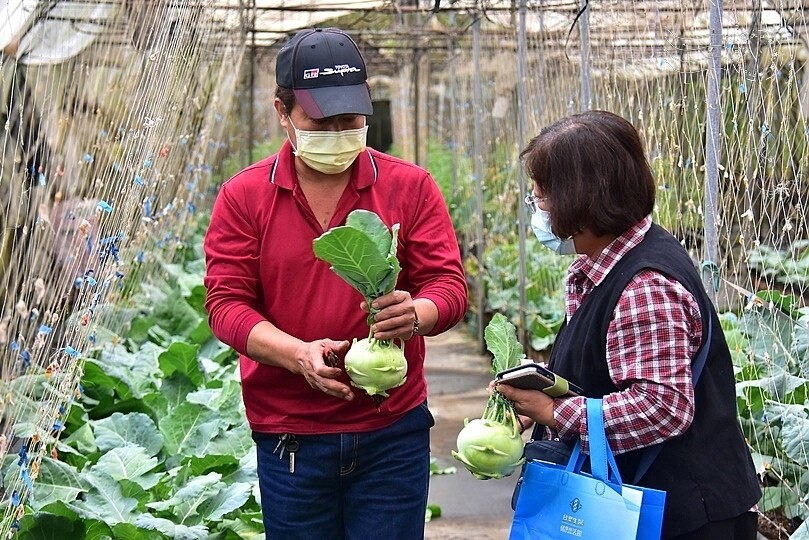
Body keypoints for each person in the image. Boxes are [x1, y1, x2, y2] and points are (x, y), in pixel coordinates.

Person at [203, 27, 467, 539]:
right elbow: (227, 306)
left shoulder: (410, 186)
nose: (340, 130)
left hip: (392, 429)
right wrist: (297, 354)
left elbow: (449, 287)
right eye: (321, 120)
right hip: (291, 437)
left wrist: (418, 312)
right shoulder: (244, 197)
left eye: (351, 118)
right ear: (283, 113)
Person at [496, 110, 761, 539]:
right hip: (657, 504)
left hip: (687, 516)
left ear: (577, 198)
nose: (536, 206)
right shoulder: (606, 261)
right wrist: (541, 394)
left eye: (541, 196)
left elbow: (664, 407)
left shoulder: (644, 285)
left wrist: (555, 412)